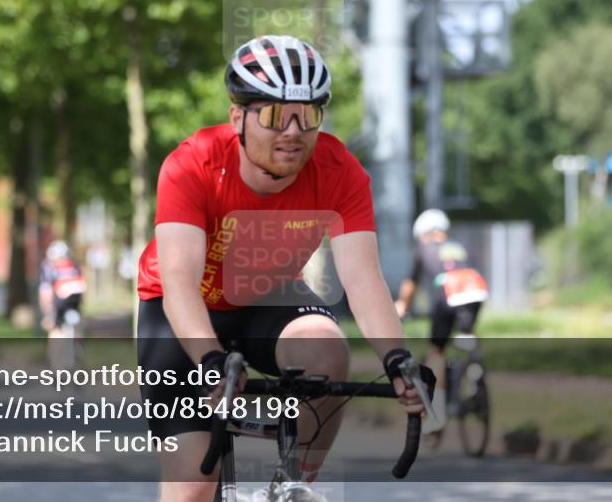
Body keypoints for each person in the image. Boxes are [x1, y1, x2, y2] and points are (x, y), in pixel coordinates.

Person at [135, 35, 434, 502]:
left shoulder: (340, 171)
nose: (293, 130)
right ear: (238, 116)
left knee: (328, 353)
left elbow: (362, 279)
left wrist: (397, 359)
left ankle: (294, 487)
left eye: (308, 114)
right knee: (192, 486)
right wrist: (211, 365)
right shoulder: (191, 164)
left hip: (266, 298)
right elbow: (179, 281)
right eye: (275, 115)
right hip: (181, 313)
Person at [394, 208, 488, 430]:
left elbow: (411, 285)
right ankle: (474, 374)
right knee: (468, 334)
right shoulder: (458, 244)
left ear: (423, 233)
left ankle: (436, 415)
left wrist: (402, 306)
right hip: (474, 291)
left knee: (436, 353)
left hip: (446, 296)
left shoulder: (422, 248)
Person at [38, 239, 87, 338]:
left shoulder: (48, 267)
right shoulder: (75, 266)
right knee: (76, 327)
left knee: (54, 329)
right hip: (72, 304)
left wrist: (47, 315)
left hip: (61, 305)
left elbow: (46, 292)